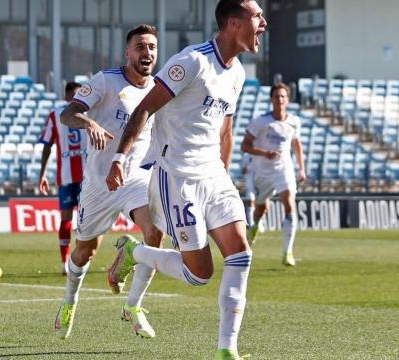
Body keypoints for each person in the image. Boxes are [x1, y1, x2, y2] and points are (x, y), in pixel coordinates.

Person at [106, 1, 266, 358]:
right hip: (176, 177)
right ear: (233, 23)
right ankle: (136, 251)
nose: (264, 23)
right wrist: (119, 158)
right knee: (199, 275)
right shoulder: (192, 61)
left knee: (241, 254)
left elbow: (225, 128)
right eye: (257, 16)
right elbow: (145, 107)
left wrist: (224, 171)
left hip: (214, 176)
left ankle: (228, 350)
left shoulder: (238, 72)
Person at [54, 24, 164, 340]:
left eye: (152, 48)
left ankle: (134, 305)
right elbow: (68, 114)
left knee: (155, 232)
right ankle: (69, 301)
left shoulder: (159, 89)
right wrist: (88, 124)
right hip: (98, 185)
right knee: (84, 252)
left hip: (134, 180)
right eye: (141, 47)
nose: (147, 53)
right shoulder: (106, 80)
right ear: (127, 52)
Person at [241, 82, 306, 266]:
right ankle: (254, 227)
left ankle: (288, 252)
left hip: (284, 169)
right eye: (276, 96)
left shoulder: (294, 121)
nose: (280, 100)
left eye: (283, 96)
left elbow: (296, 145)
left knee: (289, 205)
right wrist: (264, 153)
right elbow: (244, 145)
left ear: (288, 99)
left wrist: (301, 168)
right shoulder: (260, 122)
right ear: (271, 99)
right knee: (261, 208)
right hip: (262, 172)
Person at [38, 81, 86, 275]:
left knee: (85, 220)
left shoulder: (89, 113)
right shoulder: (55, 115)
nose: (77, 99)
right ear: (66, 97)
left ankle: (80, 258)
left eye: (80, 95)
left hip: (87, 177)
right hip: (66, 177)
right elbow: (47, 145)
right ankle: (64, 260)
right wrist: (42, 174)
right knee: (66, 219)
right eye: (74, 95)